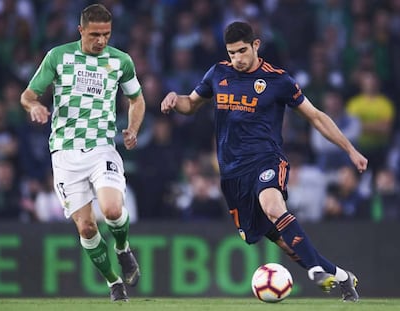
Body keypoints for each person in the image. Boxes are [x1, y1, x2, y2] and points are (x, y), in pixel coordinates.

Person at [161, 21, 368, 302]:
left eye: (242, 51)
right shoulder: (218, 73)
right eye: (232, 53)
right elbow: (191, 104)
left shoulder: (278, 80)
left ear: (256, 45)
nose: (237, 59)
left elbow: (316, 116)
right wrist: (176, 99)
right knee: (279, 237)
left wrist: (350, 150)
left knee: (273, 206)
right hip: (232, 172)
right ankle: (341, 276)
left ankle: (315, 269)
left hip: (266, 160)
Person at [20, 4, 144, 302]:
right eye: (94, 34)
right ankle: (114, 282)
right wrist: (34, 106)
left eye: (106, 34)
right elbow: (28, 94)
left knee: (112, 210)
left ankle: (123, 249)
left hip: (102, 147)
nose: (101, 40)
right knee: (86, 227)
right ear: (81, 31)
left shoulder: (120, 61)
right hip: (64, 152)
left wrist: (133, 128)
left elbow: (136, 99)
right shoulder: (58, 56)